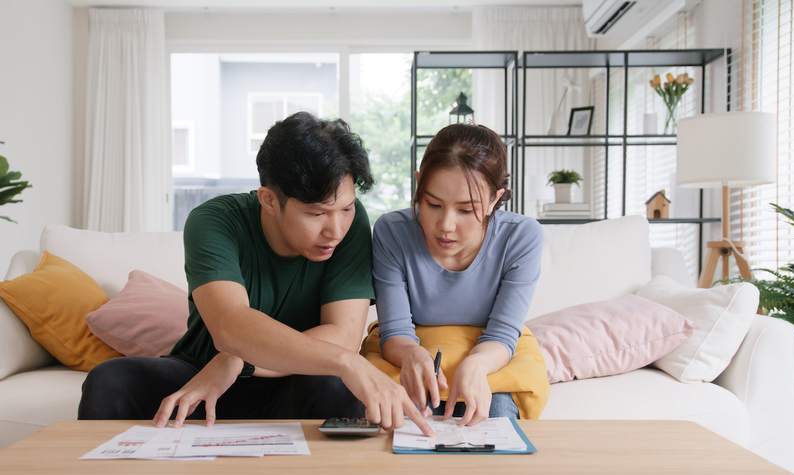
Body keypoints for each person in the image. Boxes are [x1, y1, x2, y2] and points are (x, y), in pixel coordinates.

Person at [78, 112, 432, 436]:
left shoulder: (351, 230)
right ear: (268, 200)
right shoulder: (214, 221)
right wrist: (344, 362)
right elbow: (231, 326)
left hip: (291, 377)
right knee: (110, 380)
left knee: (333, 386)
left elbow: (343, 334)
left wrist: (239, 361)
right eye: (316, 214)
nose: (335, 229)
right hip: (202, 373)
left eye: (346, 208)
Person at [366, 123, 549, 427]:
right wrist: (413, 355)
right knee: (399, 420)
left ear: (494, 199)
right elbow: (396, 331)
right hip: (409, 351)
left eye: (466, 210)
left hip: (492, 354)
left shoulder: (521, 236)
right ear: (418, 186)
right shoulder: (392, 232)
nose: (446, 225)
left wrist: (476, 364)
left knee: (495, 414)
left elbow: (502, 334)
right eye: (433, 204)